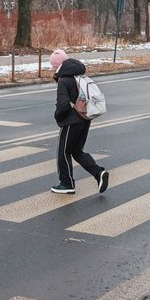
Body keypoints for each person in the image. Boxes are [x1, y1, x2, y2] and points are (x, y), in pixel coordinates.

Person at [49, 49, 108, 195]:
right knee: (76, 150)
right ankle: (98, 173)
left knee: (63, 152)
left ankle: (66, 183)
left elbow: (62, 106)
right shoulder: (79, 75)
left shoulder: (64, 80)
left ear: (57, 65)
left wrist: (57, 117)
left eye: (52, 66)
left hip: (71, 122)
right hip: (84, 118)